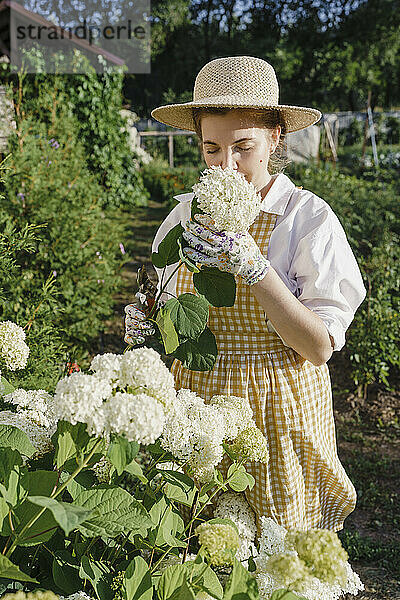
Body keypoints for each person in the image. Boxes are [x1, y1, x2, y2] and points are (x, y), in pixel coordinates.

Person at [125, 56, 367, 536]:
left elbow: (319, 347)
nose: (227, 165)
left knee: (278, 553)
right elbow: (177, 316)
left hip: (278, 407)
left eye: (243, 147)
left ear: (276, 137)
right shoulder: (181, 221)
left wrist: (255, 268)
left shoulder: (307, 220)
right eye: (212, 148)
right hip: (196, 408)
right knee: (194, 546)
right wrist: (150, 325)